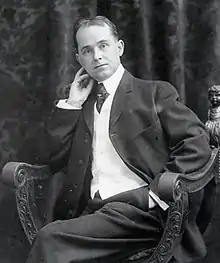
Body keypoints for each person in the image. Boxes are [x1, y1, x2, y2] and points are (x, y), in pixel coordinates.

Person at [26, 16, 212, 263]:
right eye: (87, 50)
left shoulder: (154, 93)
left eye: (103, 45)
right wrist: (71, 105)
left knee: (49, 239)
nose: (97, 56)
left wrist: (156, 194)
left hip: (142, 214)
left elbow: (196, 143)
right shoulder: (80, 103)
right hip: (91, 213)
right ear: (78, 59)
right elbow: (50, 158)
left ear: (120, 47)